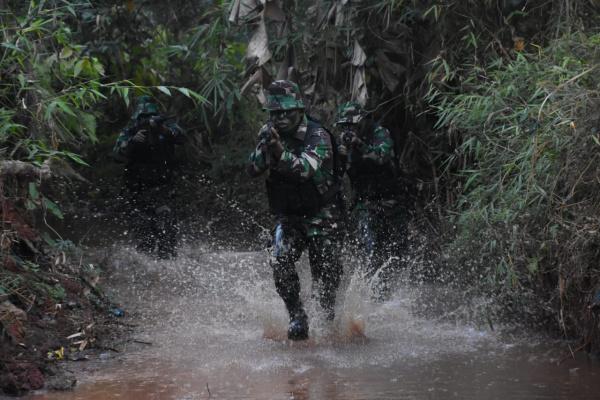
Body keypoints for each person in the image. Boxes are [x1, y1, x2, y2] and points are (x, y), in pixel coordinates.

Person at [247, 80, 344, 341]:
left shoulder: (317, 135)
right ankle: (297, 315)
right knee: (279, 257)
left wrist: (279, 151)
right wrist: (265, 146)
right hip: (289, 215)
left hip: (322, 215)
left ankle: (327, 330)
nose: (281, 118)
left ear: (299, 109)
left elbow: (304, 170)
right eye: (275, 113)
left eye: (286, 112)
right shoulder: (270, 133)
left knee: (326, 278)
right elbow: (253, 169)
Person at [335, 101, 407, 298]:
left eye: (353, 125)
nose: (349, 130)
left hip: (392, 202)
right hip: (365, 204)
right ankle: (372, 294)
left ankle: (397, 294)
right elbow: (335, 177)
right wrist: (340, 157)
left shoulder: (379, 134)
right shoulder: (343, 144)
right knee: (369, 249)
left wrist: (358, 144)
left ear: (365, 122)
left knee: (398, 251)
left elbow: (382, 157)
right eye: (344, 126)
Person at [113, 96, 184, 259]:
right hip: (137, 187)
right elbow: (116, 155)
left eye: (149, 117)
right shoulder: (130, 130)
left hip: (163, 185)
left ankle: (169, 262)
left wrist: (163, 131)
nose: (148, 121)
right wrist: (132, 142)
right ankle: (147, 263)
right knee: (142, 230)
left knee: (167, 223)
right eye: (144, 118)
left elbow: (181, 138)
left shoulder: (166, 127)